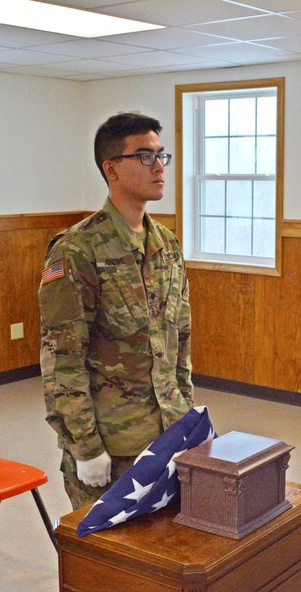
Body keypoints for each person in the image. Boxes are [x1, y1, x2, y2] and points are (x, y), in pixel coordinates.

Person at [39, 113, 193, 510]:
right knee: (108, 566)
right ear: (112, 169)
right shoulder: (78, 249)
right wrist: (85, 446)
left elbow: (180, 340)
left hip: (167, 434)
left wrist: (186, 415)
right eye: (145, 156)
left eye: (162, 155)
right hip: (112, 442)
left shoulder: (167, 245)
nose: (159, 166)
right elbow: (63, 360)